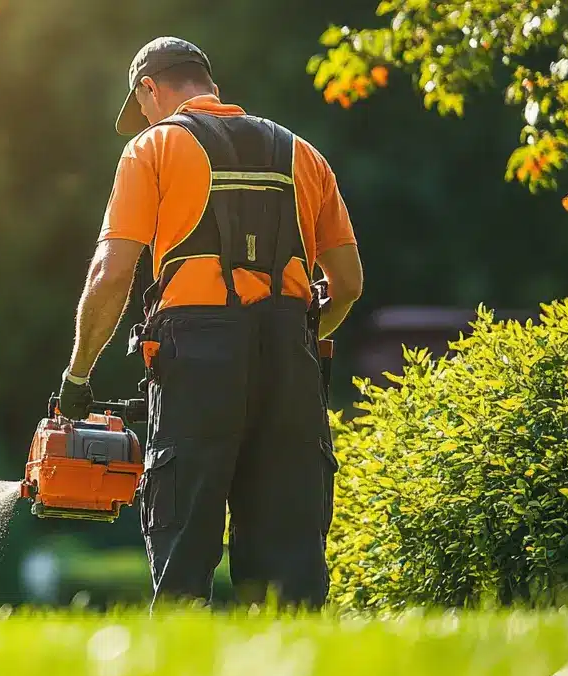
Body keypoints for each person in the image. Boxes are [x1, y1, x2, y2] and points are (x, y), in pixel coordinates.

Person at [56, 37, 365, 610]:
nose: (144, 118)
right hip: (290, 361)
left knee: (183, 551)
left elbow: (111, 274)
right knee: (290, 564)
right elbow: (347, 285)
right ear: (209, 83)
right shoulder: (303, 154)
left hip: (196, 357)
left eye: (142, 106)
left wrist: (77, 378)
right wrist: (300, 342)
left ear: (150, 89)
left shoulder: (153, 148)